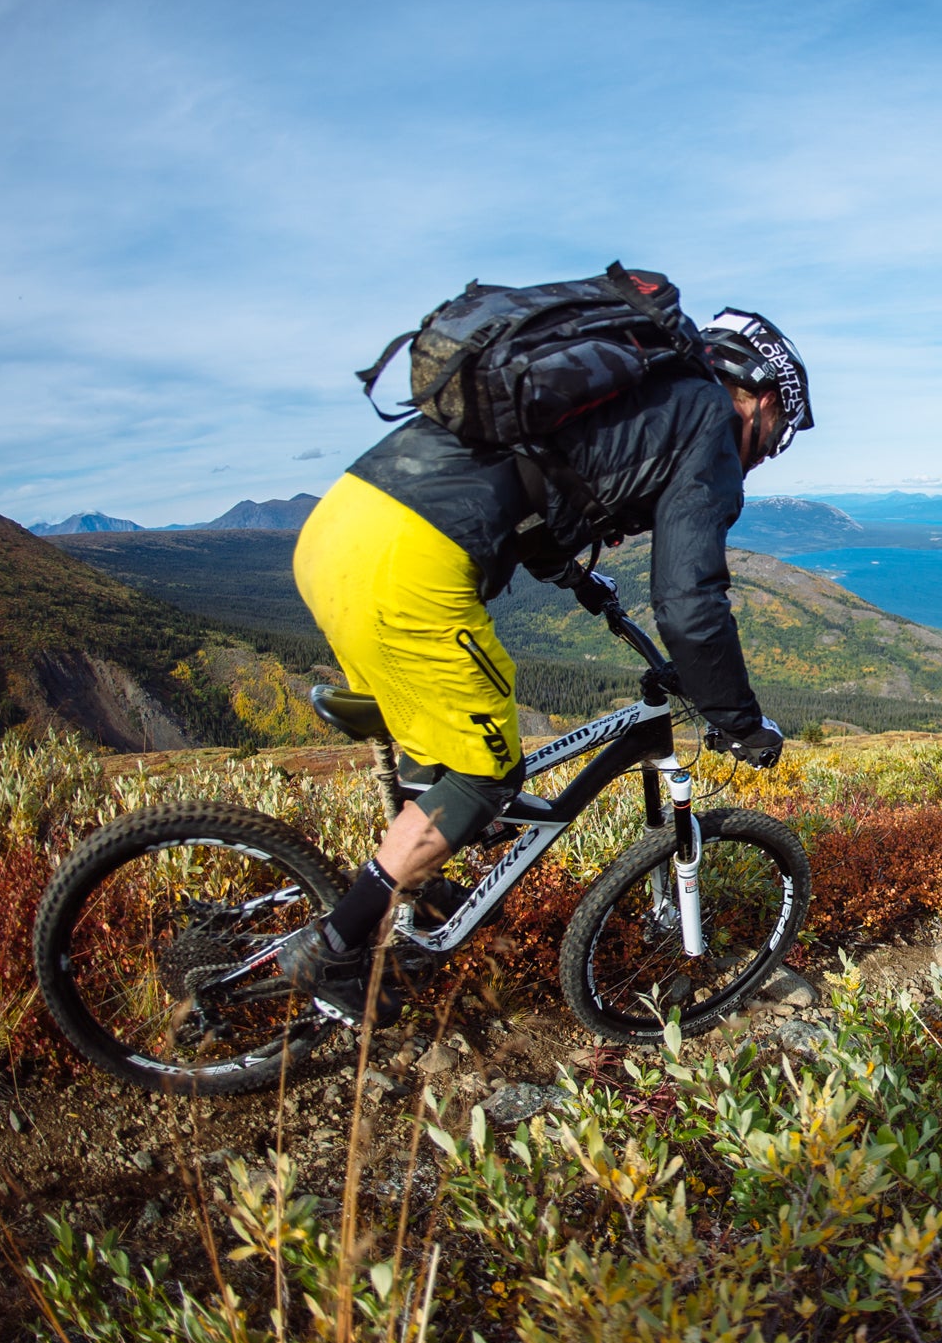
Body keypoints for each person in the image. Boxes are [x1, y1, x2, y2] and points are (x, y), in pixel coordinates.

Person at [277, 307, 813, 1022]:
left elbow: (536, 488)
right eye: (776, 438)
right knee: (485, 776)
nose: (764, 451)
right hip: (411, 562)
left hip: (338, 527)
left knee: (437, 743)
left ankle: (416, 885)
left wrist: (583, 581)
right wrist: (738, 722)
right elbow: (689, 603)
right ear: (765, 398)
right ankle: (337, 947)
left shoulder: (637, 397)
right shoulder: (711, 423)